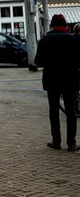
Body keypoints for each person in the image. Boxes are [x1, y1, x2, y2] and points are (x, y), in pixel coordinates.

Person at [34, 14, 80, 151]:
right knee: (71, 111)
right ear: (65, 26)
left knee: (53, 111)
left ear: (52, 26)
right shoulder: (73, 40)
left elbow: (38, 62)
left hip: (52, 80)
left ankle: (56, 141)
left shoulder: (45, 41)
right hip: (69, 79)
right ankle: (71, 143)